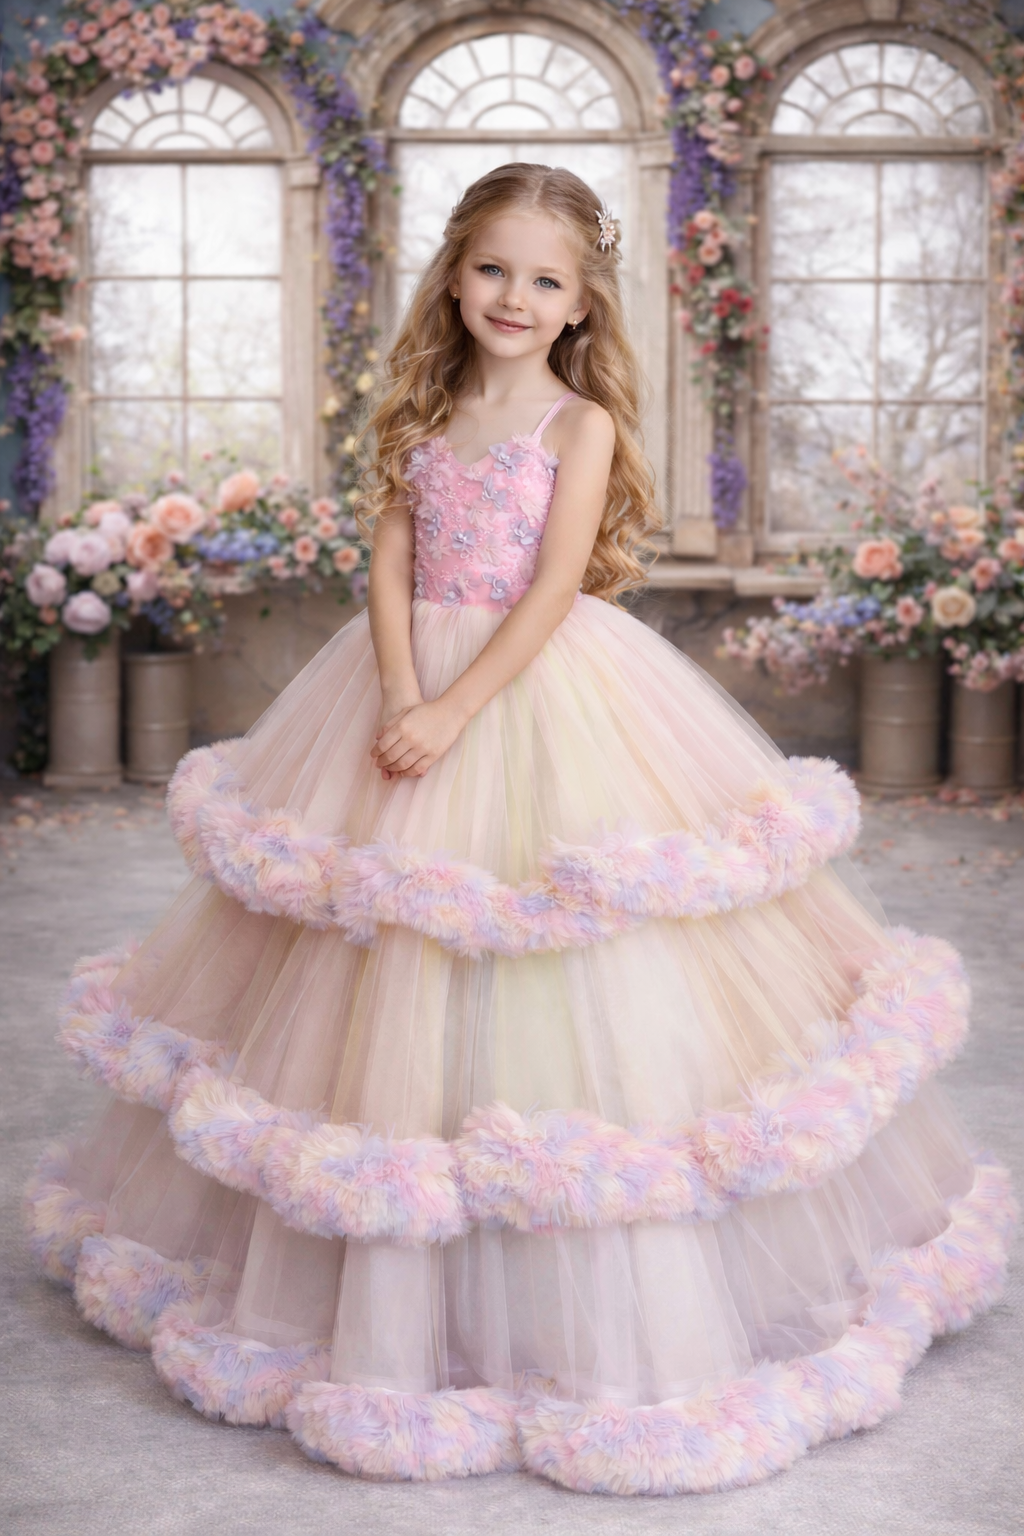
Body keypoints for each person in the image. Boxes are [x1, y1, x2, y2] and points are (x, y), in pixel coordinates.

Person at [26, 163, 1014, 1496]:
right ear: (453, 273)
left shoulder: (577, 422)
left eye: (545, 279)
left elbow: (554, 589)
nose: (515, 295)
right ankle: (388, 1256)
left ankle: (553, 1239)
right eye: (494, 267)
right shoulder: (422, 409)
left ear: (578, 304)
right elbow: (387, 559)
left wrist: (459, 709)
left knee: (553, 943)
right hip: (401, 689)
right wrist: (399, 691)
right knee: (380, 952)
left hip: (537, 692)